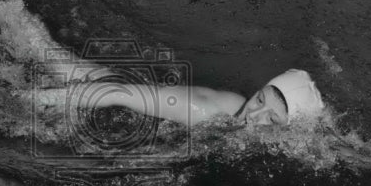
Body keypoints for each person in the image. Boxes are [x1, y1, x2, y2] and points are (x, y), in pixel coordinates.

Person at [33, 68, 325, 127]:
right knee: (62, 64)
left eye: (272, 120)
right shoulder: (205, 112)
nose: (254, 115)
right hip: (114, 87)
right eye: (259, 100)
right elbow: (116, 93)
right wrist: (29, 100)